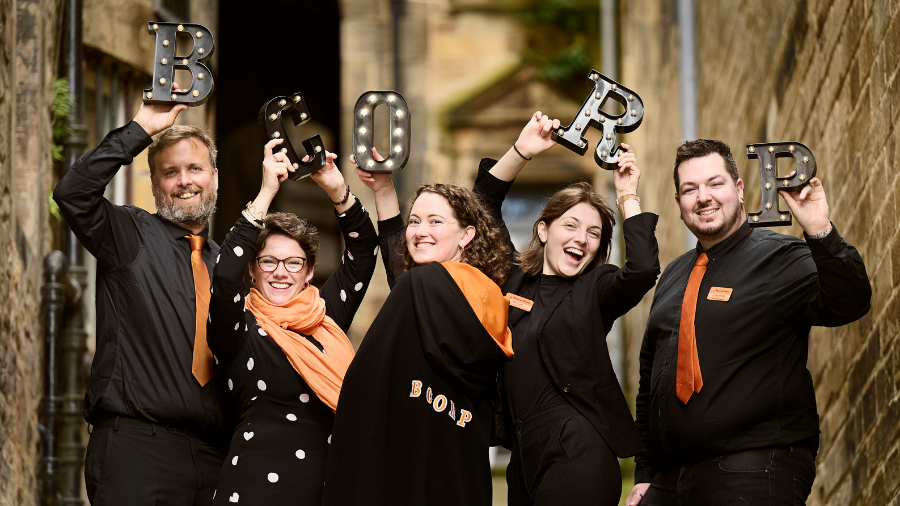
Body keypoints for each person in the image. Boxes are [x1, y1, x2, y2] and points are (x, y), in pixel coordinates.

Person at [627, 139, 871, 506]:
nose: (702, 197)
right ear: (679, 205)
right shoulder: (673, 277)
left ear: (739, 190)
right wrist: (645, 475)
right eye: (689, 190)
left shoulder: (779, 257)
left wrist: (821, 232)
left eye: (715, 183)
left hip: (756, 467)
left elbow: (850, 303)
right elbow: (651, 385)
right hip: (669, 481)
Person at [472, 112, 660, 505]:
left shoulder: (596, 287)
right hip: (523, 455)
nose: (582, 239)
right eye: (571, 226)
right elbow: (482, 203)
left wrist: (628, 194)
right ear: (544, 230)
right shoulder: (513, 279)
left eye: (594, 233)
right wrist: (522, 150)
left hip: (579, 444)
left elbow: (642, 270)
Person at [53, 85, 228, 505]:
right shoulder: (129, 234)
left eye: (195, 169)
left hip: (214, 458)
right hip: (137, 449)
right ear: (154, 183)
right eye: (170, 172)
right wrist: (141, 128)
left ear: (215, 177)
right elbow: (73, 194)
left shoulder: (229, 265)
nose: (184, 181)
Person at [206, 139, 380, 504]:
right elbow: (223, 279)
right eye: (268, 261)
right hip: (253, 491)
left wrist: (336, 188)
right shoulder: (240, 329)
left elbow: (363, 249)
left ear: (309, 271)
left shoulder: (323, 317)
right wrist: (267, 189)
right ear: (253, 269)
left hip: (325, 492)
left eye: (293, 262)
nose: (280, 272)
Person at [321, 180, 515, 506]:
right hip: (461, 467)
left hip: (404, 465)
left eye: (435, 221)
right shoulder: (491, 299)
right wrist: (384, 192)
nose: (419, 231)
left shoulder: (417, 286)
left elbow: (368, 378)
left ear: (466, 235)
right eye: (414, 222)